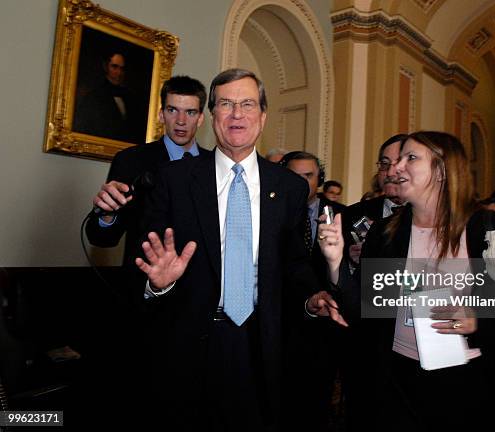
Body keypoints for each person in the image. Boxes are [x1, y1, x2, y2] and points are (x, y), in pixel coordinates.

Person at [134, 68, 324, 431]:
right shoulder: (173, 180)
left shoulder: (288, 187)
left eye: (248, 104)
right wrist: (158, 284)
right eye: (226, 104)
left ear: (263, 116)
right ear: (213, 116)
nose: (237, 114)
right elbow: (150, 259)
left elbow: (294, 263)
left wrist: (310, 296)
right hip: (190, 344)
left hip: (262, 342)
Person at [310, 131, 495, 431]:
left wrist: (479, 319)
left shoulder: (491, 229)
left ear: (442, 170)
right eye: (394, 161)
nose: (396, 168)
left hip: (468, 380)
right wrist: (336, 261)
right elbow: (366, 310)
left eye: (410, 158)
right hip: (397, 379)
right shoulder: (386, 233)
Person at [80, 75, 207, 428]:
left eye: (190, 112)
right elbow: (102, 237)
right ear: (161, 114)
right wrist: (106, 214)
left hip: (200, 305)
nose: (181, 121)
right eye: (173, 110)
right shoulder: (131, 160)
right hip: (142, 306)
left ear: (201, 117)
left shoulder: (217, 167)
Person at [280, 151, 345, 429]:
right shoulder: (272, 212)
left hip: (324, 325)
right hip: (282, 320)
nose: (303, 183)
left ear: (319, 179)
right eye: (295, 176)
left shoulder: (341, 214)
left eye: (309, 176)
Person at [342, 134, 408, 266]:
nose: (389, 172)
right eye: (384, 164)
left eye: (399, 163)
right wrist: (350, 261)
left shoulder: (431, 217)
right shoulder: (352, 214)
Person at [73, 51, 146, 143]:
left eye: (122, 68)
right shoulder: (94, 97)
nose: (119, 72)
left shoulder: (130, 97)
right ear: (105, 67)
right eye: (114, 67)